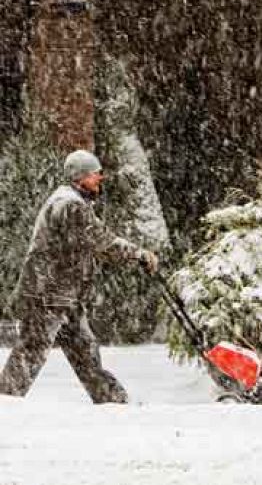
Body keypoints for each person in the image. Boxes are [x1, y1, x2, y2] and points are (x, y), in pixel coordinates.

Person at [0, 149, 159, 403]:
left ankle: (113, 402)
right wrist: (138, 254)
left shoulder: (72, 201)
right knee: (31, 353)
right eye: (95, 174)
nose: (100, 179)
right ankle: (5, 401)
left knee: (85, 353)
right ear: (80, 177)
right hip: (47, 296)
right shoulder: (70, 205)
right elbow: (101, 241)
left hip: (65, 297)